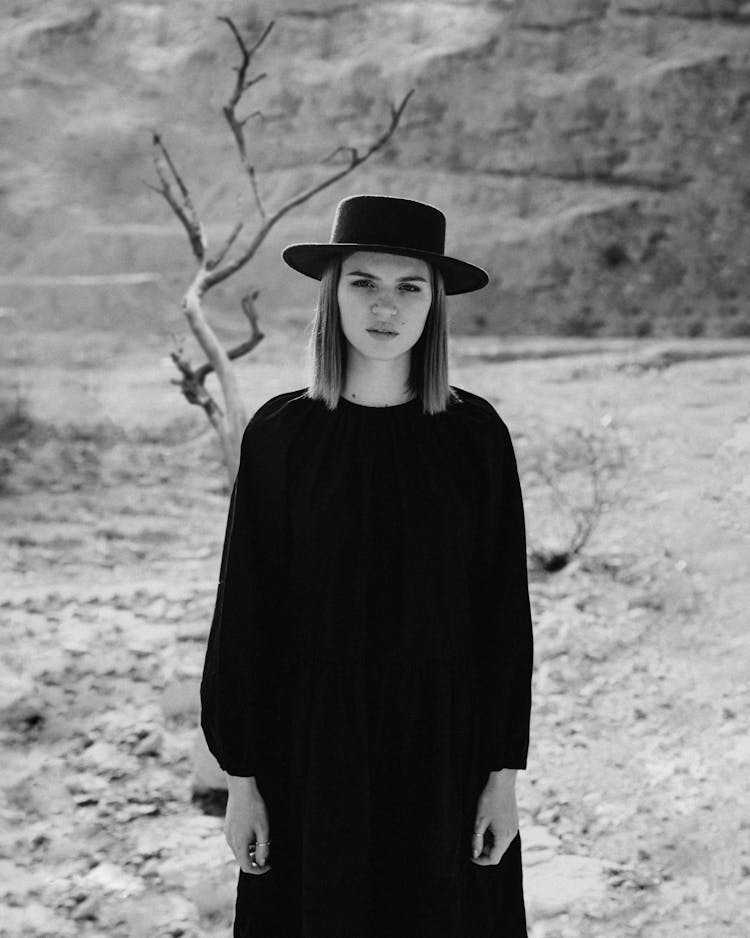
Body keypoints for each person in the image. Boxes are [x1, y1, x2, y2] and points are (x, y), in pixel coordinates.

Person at [200, 194, 534, 938]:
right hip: (309, 754)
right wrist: (242, 781)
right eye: (365, 283)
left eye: (410, 287)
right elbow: (246, 612)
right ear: (333, 294)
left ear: (435, 304)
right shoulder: (282, 436)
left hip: (443, 753)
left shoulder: (474, 436)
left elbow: (503, 617)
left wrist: (502, 776)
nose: (386, 307)